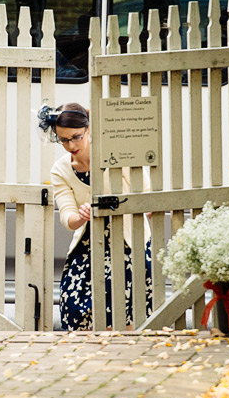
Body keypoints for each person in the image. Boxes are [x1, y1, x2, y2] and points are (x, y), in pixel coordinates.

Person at [42, 102, 151, 330]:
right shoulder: (60, 169)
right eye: (63, 140)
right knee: (73, 306)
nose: (70, 145)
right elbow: (68, 218)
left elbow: (146, 200)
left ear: (89, 129)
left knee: (124, 308)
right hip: (88, 243)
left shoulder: (118, 155)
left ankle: (122, 355)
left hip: (128, 240)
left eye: (76, 137)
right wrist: (81, 217)